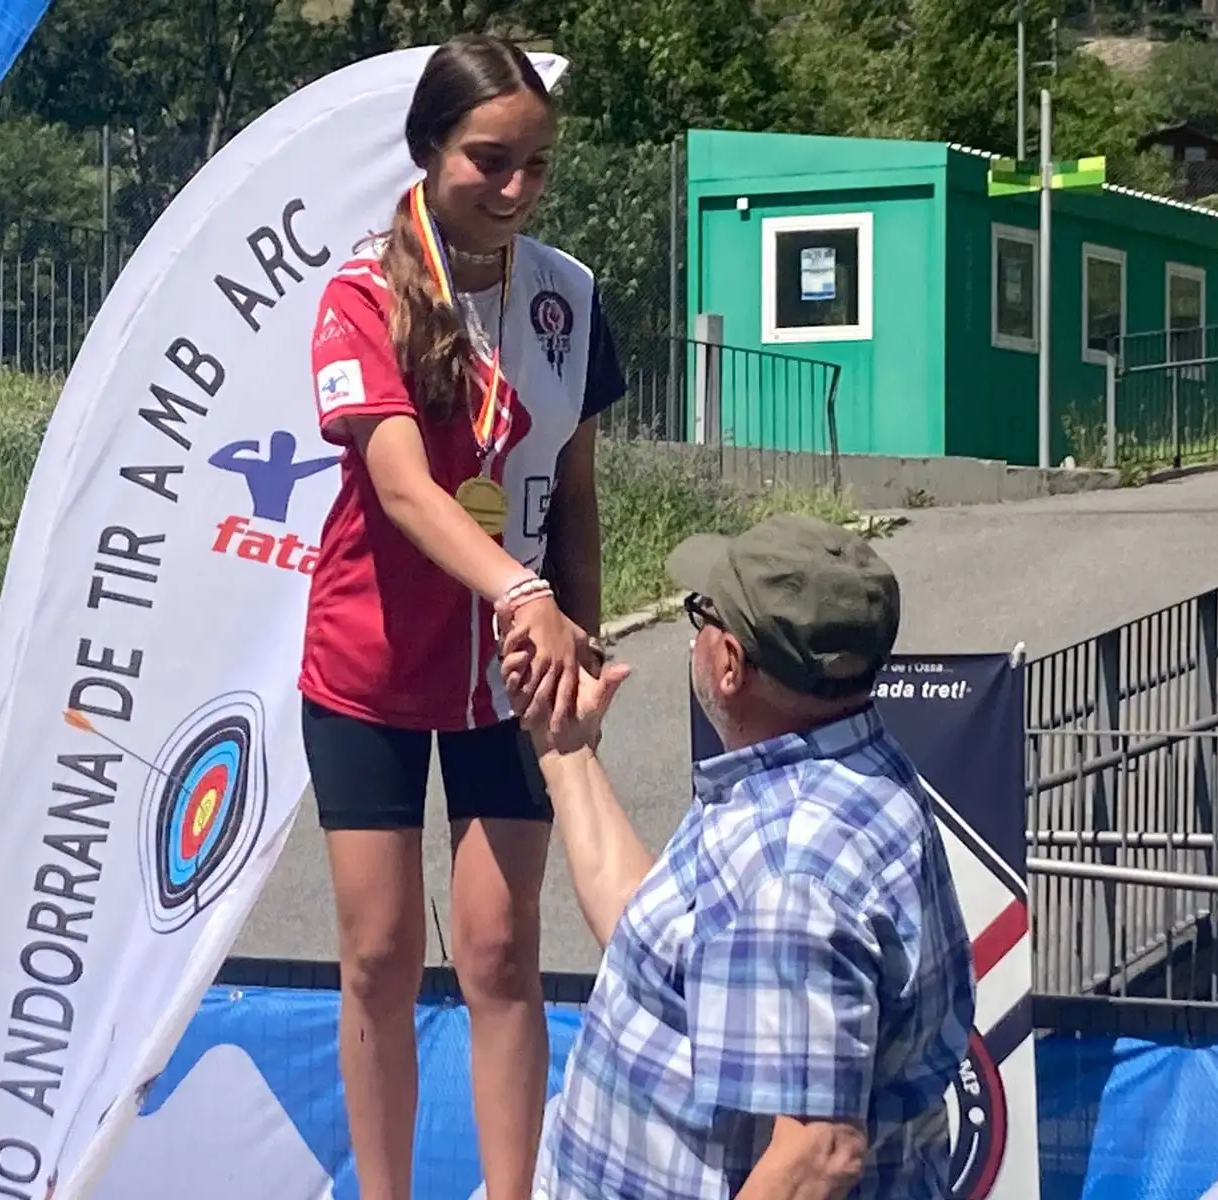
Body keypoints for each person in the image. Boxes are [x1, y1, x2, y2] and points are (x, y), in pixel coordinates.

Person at [297, 33, 627, 1200]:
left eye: (537, 163)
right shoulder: (357, 291)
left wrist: (573, 630)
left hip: (516, 670)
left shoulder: (571, 296)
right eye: (491, 161)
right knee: (380, 958)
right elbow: (398, 487)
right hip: (372, 663)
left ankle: (508, 1192)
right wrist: (521, 589)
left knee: (499, 948)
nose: (517, 188)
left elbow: (575, 493)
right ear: (430, 150)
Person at [500, 514, 978, 1200]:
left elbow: (819, 1153)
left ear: (728, 663)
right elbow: (664, 950)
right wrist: (564, 748)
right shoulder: (835, 770)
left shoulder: (792, 869)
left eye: (701, 615)